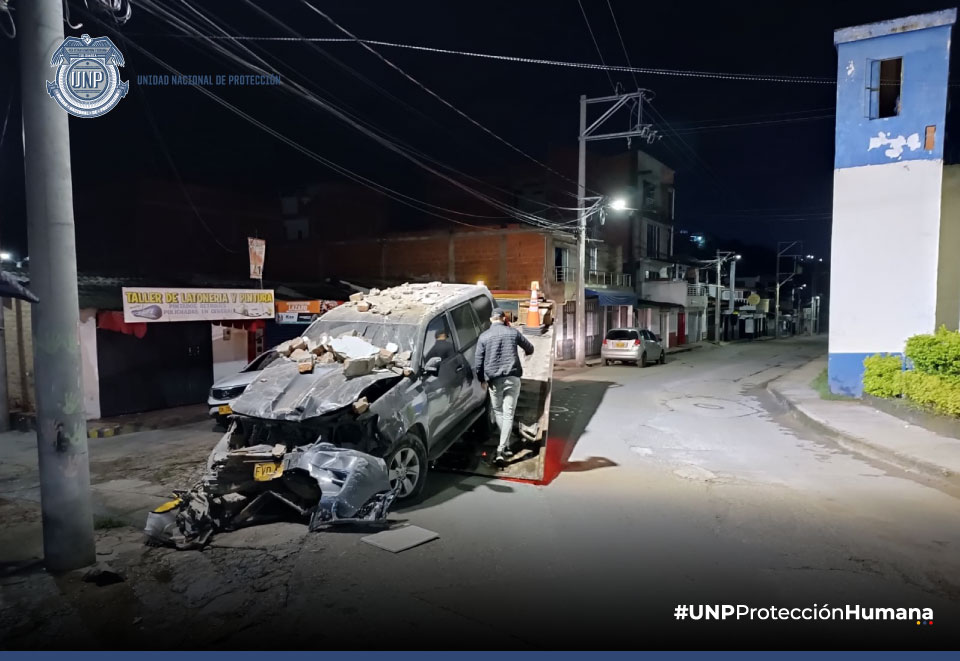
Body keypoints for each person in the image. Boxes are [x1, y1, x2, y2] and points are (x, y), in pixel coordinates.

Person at [474, 307, 534, 464]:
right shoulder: (512, 332)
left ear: (491, 320)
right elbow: (530, 348)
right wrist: (527, 356)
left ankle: (503, 446)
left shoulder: (484, 337)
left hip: (494, 381)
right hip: (512, 378)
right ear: (503, 318)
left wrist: (482, 379)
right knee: (508, 414)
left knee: (498, 412)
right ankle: (503, 446)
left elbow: (478, 362)